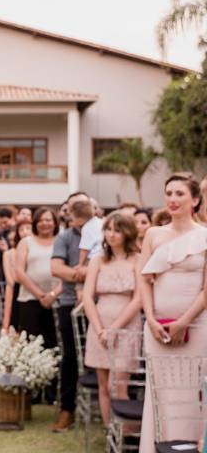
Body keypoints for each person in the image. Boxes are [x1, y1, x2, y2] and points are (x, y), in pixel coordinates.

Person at [138, 174, 207, 452]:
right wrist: (150, 319)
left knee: (193, 390)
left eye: (180, 194)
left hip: (197, 326)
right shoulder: (153, 234)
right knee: (161, 393)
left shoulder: (205, 235)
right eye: (169, 193)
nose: (173, 199)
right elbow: (143, 280)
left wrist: (184, 322)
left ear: (195, 200)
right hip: (157, 328)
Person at [82, 212, 142, 427]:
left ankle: (125, 434)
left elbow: (139, 299)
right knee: (103, 385)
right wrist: (99, 328)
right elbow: (87, 296)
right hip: (99, 323)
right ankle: (109, 431)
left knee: (118, 385)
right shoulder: (97, 260)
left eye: (117, 230)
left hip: (126, 325)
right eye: (108, 229)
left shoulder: (137, 259)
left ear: (127, 233)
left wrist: (114, 329)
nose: (112, 234)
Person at [50, 191, 92, 432]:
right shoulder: (64, 237)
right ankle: (67, 409)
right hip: (69, 302)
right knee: (70, 357)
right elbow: (56, 268)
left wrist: (84, 275)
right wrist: (88, 274)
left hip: (99, 303)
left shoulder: (101, 232)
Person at [15, 207, 60, 347]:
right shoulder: (26, 242)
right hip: (30, 298)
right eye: (40, 220)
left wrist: (53, 294)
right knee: (30, 343)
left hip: (57, 299)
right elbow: (19, 272)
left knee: (54, 343)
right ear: (34, 223)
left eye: (48, 220)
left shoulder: (61, 241)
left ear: (55, 223)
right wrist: (40, 295)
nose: (44, 223)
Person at [1, 219, 32, 332]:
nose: (25, 232)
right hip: (15, 288)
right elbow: (10, 278)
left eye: (28, 228)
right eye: (21, 229)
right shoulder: (10, 253)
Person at [73, 199, 104, 266]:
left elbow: (85, 248)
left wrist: (80, 264)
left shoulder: (87, 228)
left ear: (79, 219)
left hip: (94, 258)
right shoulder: (100, 222)